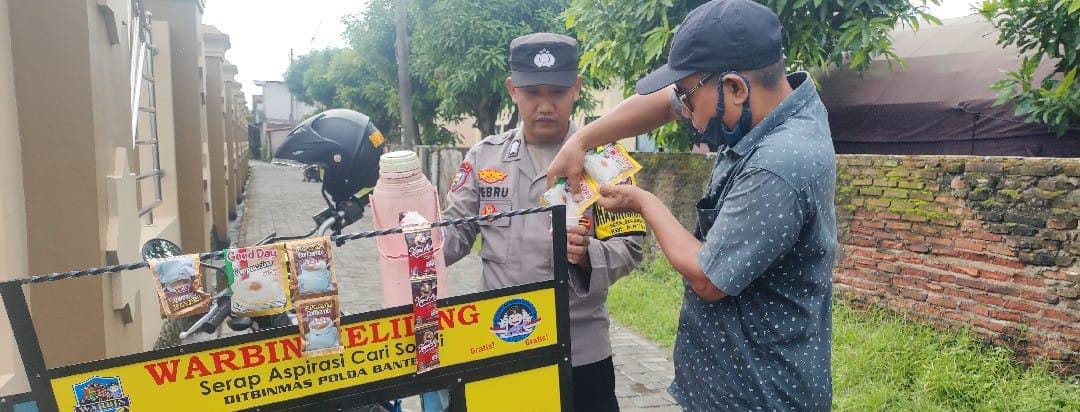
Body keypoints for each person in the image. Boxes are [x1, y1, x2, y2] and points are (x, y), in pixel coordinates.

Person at [545, 1, 837, 410]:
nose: (684, 112)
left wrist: (644, 202)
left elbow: (708, 277)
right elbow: (664, 103)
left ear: (735, 88)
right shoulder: (771, 106)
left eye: (687, 97)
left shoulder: (779, 164)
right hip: (731, 379)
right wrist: (580, 141)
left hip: (759, 394)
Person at [441, 32, 645, 412]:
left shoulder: (606, 161)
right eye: (533, 92)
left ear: (577, 88)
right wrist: (415, 240)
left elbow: (630, 247)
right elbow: (453, 235)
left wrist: (587, 254)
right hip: (499, 344)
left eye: (558, 92)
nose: (546, 105)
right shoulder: (484, 157)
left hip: (580, 351)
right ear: (513, 90)